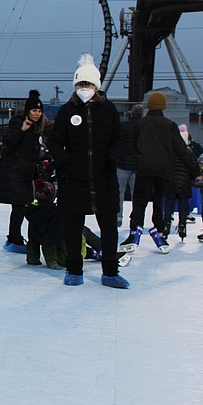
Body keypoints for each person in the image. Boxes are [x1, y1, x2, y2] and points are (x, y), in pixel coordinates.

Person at [47, 54, 128, 289]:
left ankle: (110, 272)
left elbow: (118, 139)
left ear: (97, 86)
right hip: (74, 179)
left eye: (89, 85)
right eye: (81, 84)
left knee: (109, 227)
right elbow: (54, 142)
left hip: (104, 178)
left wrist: (112, 159)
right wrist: (64, 162)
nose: (85, 89)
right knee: (73, 227)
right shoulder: (66, 111)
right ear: (75, 85)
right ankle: (74, 270)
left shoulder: (109, 110)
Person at [122, 92, 199, 254]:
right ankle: (158, 230)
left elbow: (134, 146)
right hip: (163, 170)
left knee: (140, 201)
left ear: (149, 105)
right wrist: (195, 171)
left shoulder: (140, 124)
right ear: (164, 106)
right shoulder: (169, 125)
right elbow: (181, 150)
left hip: (144, 168)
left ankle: (135, 230)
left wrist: (141, 158)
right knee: (158, 202)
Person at [0, 89, 46, 253]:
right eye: (34, 110)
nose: (37, 114)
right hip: (14, 173)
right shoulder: (18, 123)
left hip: (25, 174)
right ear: (27, 111)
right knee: (19, 207)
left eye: (39, 111)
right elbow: (8, 141)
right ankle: (14, 239)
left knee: (24, 207)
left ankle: (15, 238)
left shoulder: (36, 128)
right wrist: (22, 130)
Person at [163, 125, 196, 241]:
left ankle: (166, 225)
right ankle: (182, 226)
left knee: (168, 205)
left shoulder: (169, 152)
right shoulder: (188, 153)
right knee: (183, 207)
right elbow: (193, 167)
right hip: (184, 184)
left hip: (171, 183)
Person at [24, 179, 67, 269]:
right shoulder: (55, 211)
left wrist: (31, 258)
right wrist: (51, 260)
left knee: (33, 241)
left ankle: (32, 258)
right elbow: (53, 236)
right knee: (64, 258)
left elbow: (32, 240)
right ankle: (53, 260)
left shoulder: (32, 209)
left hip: (36, 234)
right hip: (53, 236)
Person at [116, 104, 143, 227]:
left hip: (122, 163)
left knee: (119, 193)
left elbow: (118, 143)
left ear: (131, 113)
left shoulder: (123, 126)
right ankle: (136, 218)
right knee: (136, 194)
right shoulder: (143, 127)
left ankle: (118, 217)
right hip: (137, 165)